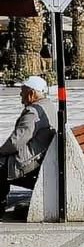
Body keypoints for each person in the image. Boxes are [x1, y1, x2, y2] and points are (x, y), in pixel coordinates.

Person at [0, 76, 56, 210]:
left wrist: (0, 151)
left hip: (28, 162)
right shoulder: (48, 106)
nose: (20, 94)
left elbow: (16, 142)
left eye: (23, 91)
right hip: (41, 158)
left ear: (31, 93)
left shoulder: (33, 112)